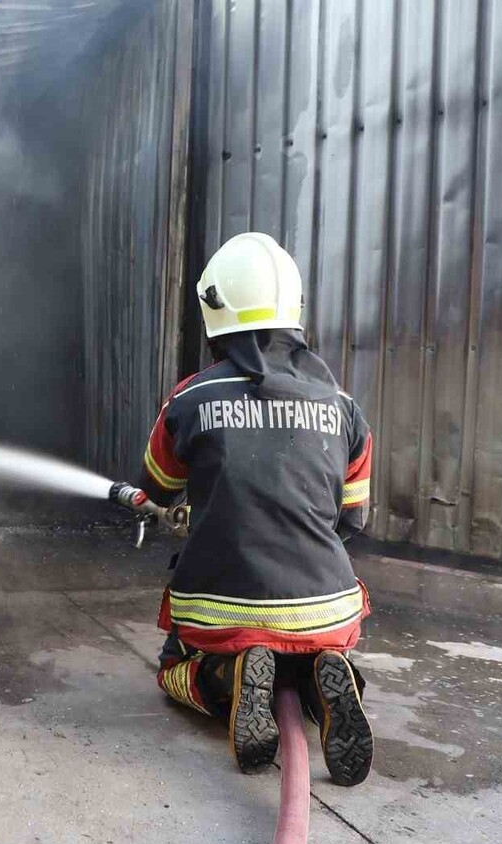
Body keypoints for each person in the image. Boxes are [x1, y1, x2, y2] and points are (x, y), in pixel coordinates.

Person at [140, 232, 374, 786]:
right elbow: (354, 521)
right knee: (306, 644)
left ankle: (225, 679)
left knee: (174, 667)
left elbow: (159, 486)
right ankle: (327, 677)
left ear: (213, 309)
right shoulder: (345, 409)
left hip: (221, 607)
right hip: (326, 606)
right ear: (293, 311)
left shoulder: (190, 399)